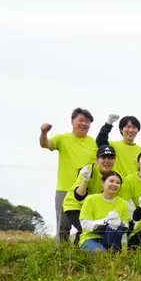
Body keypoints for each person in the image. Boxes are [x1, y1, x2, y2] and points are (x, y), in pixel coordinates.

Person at [41, 107, 98, 242]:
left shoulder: (94, 142)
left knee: (86, 226)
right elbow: (45, 144)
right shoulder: (62, 138)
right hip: (65, 189)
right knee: (63, 227)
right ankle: (61, 256)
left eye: (88, 122)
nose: (84, 124)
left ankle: (81, 253)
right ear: (72, 121)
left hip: (86, 191)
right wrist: (43, 133)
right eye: (81, 120)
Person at [62, 145, 119, 240]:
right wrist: (85, 180)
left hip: (91, 208)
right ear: (97, 160)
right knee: (86, 230)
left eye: (110, 158)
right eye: (103, 158)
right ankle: (73, 249)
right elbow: (79, 196)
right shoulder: (88, 170)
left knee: (99, 231)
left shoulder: (113, 175)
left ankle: (80, 249)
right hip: (75, 206)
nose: (107, 161)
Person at [79, 171, 130, 252]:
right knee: (101, 253)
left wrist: (120, 222)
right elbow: (85, 224)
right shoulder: (91, 199)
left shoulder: (122, 203)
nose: (114, 184)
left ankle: (113, 253)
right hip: (90, 238)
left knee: (116, 227)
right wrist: (105, 221)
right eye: (111, 181)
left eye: (118, 183)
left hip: (111, 238)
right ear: (102, 183)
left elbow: (126, 226)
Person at [95, 114, 141, 179]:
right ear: (121, 129)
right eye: (128, 127)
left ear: (138, 130)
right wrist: (108, 124)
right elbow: (100, 141)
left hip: (132, 186)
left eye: (134, 127)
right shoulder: (112, 146)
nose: (131, 130)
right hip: (115, 184)